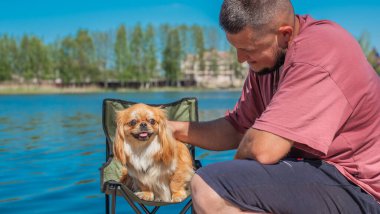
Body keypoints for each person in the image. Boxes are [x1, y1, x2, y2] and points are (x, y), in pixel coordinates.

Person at [168, 0, 380, 213]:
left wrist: (235, 175)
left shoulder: (319, 49)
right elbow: (236, 128)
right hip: (316, 173)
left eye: (248, 49)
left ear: (285, 35)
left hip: (359, 187)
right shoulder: (266, 64)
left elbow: (265, 150)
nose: (241, 59)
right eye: (236, 48)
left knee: (211, 188)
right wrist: (174, 129)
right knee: (220, 184)